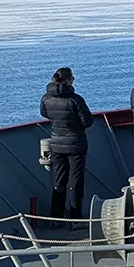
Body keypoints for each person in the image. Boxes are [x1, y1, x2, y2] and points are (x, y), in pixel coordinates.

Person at [40, 67, 93, 224]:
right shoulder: (75, 100)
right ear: (68, 80)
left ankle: (56, 217)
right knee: (75, 182)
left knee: (59, 181)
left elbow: (45, 113)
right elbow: (87, 121)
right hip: (76, 144)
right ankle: (75, 219)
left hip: (56, 144)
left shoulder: (46, 98)